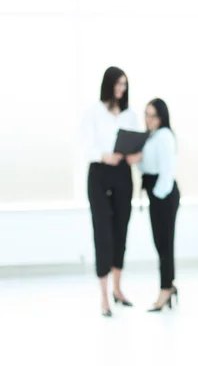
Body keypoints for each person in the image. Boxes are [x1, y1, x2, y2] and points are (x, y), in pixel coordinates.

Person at [83, 66, 138, 317]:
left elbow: (136, 140)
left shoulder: (130, 114)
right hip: (99, 173)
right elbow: (85, 146)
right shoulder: (93, 111)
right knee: (102, 233)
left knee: (121, 231)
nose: (121, 89)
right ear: (108, 84)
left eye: (124, 84)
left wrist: (133, 154)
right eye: (118, 84)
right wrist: (105, 156)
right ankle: (103, 296)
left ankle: (118, 289)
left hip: (123, 174)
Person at [127, 98, 180, 312]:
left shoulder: (165, 136)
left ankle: (165, 289)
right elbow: (147, 167)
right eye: (147, 115)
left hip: (163, 195)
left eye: (154, 116)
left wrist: (157, 196)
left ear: (162, 117)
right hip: (156, 194)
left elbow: (167, 171)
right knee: (161, 244)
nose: (149, 120)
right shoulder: (152, 136)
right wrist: (137, 160)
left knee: (164, 244)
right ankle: (170, 285)